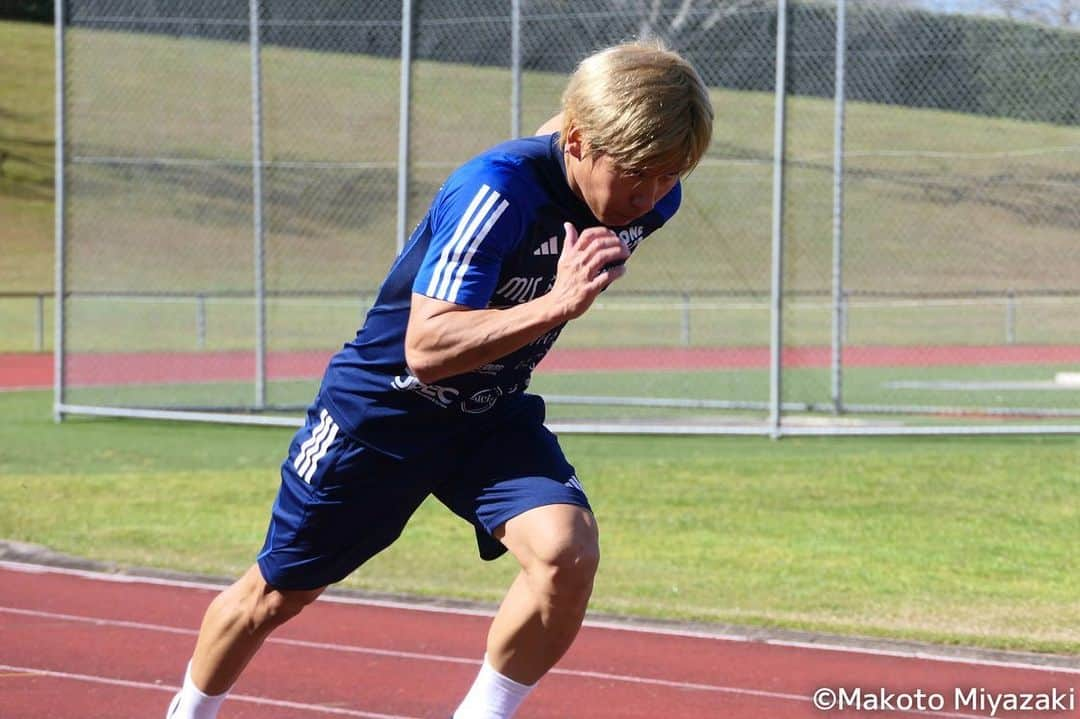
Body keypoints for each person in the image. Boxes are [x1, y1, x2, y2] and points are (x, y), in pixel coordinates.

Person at [167, 39, 713, 719]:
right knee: (274, 595)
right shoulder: (492, 193)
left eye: (670, 174)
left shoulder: (646, 196)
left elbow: (580, 127)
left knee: (565, 555)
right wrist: (557, 302)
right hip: (383, 414)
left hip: (487, 413)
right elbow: (425, 347)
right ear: (579, 141)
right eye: (638, 172)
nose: (651, 195)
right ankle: (187, 711)